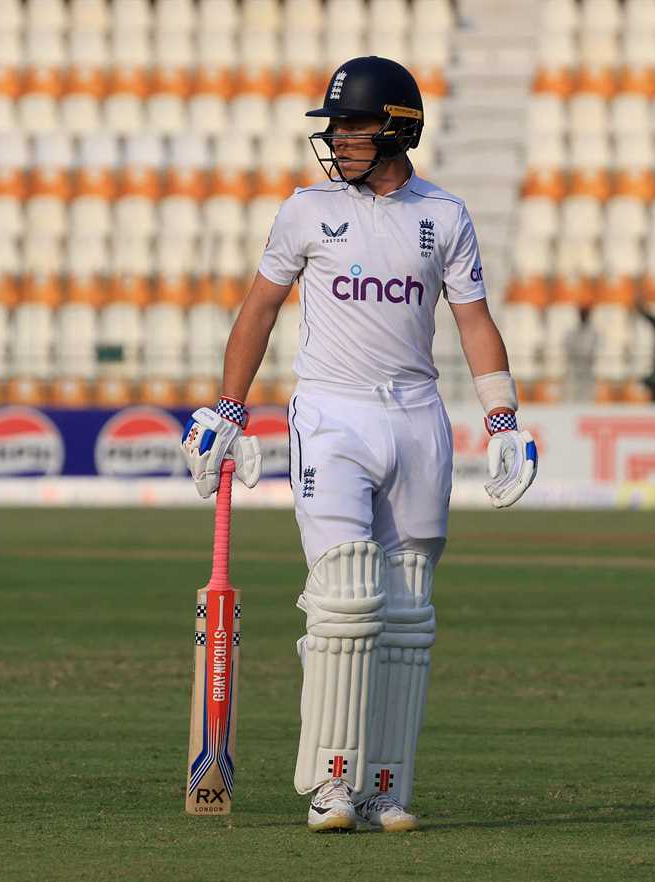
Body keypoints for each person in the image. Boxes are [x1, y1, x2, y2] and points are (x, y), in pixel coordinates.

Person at [179, 57, 538, 833]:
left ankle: (386, 785)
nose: (336, 140)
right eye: (334, 127)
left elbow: (473, 319)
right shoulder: (306, 211)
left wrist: (503, 416)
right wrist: (228, 410)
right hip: (332, 418)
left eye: (352, 127)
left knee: (406, 610)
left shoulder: (444, 215)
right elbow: (259, 309)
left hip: (417, 419)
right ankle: (332, 784)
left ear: (397, 128)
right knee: (344, 599)